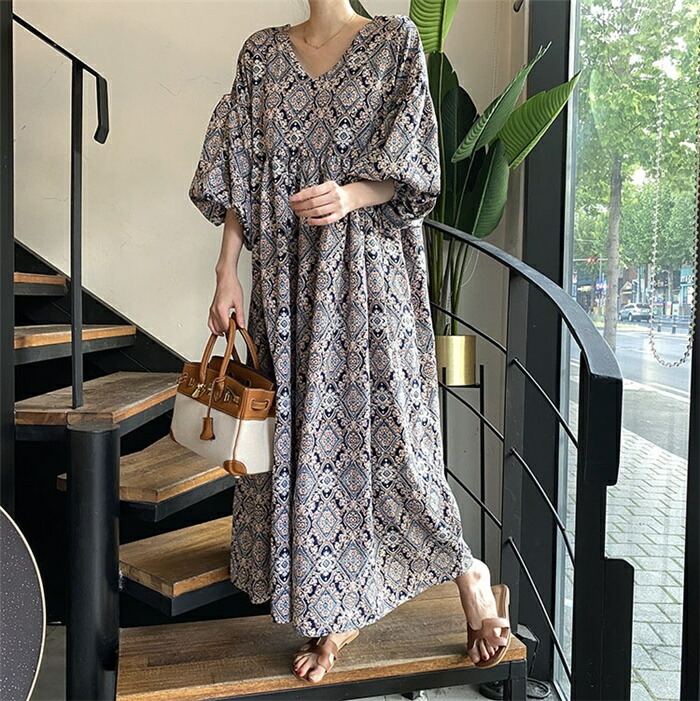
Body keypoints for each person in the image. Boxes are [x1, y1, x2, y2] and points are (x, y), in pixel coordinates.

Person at [188, 0, 510, 684]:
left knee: (402, 442)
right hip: (288, 287)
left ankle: (469, 573)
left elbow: (417, 165)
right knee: (308, 441)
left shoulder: (394, 41)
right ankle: (333, 610)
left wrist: (350, 195)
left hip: (371, 278)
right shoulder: (261, 54)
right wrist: (225, 272)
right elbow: (240, 172)